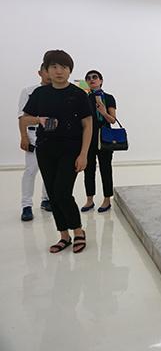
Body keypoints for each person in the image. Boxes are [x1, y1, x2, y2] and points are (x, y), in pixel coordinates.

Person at [21, 50, 93, 254]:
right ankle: (64, 235)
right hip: (46, 149)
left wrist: (84, 154)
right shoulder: (40, 94)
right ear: (46, 70)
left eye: (63, 67)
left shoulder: (79, 94)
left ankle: (78, 231)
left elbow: (88, 125)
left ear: (70, 70)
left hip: (71, 150)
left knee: (62, 192)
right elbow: (24, 118)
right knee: (53, 195)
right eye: (54, 67)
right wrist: (39, 120)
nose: (59, 71)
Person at [17, 64, 52, 221]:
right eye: (47, 71)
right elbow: (22, 117)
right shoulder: (29, 91)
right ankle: (26, 205)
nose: (50, 74)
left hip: (52, 135)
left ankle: (46, 199)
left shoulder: (57, 92)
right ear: (40, 73)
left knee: (50, 169)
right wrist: (24, 136)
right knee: (31, 170)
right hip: (33, 135)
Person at [81, 70, 117, 213]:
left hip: (105, 138)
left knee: (105, 168)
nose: (92, 80)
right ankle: (89, 199)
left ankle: (107, 199)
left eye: (95, 77)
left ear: (101, 80)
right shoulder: (84, 99)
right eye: (88, 78)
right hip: (88, 137)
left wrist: (103, 112)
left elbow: (112, 120)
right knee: (88, 169)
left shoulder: (109, 98)